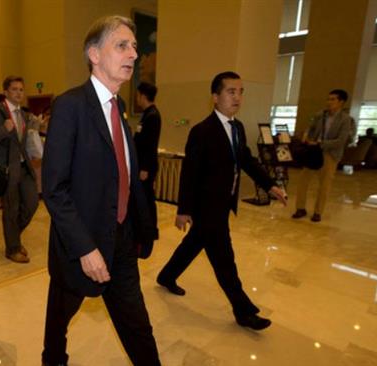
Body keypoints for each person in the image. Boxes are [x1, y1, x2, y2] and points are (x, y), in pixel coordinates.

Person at [41, 15, 160, 365]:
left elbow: (123, 174)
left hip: (121, 239)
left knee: (136, 323)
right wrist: (85, 248)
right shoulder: (70, 106)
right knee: (59, 314)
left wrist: (142, 228)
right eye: (122, 46)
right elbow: (55, 188)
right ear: (94, 54)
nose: (134, 55)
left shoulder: (119, 109)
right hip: (81, 242)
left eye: (135, 47)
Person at [156, 71, 287, 331]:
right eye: (231, 91)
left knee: (193, 244)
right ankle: (243, 310)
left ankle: (166, 275)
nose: (237, 97)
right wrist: (183, 210)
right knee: (224, 260)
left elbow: (247, 160)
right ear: (215, 97)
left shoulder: (237, 128)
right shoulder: (201, 131)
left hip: (223, 203)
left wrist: (270, 185)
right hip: (207, 208)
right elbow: (190, 173)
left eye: (240, 92)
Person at [0, 76, 39, 263]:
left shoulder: (24, 115)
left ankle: (13, 236)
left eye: (21, 89)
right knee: (11, 209)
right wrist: (3, 130)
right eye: (14, 89)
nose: (19, 93)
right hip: (5, 169)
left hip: (24, 166)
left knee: (32, 203)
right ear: (6, 92)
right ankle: (12, 248)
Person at [292, 89, 352, 222]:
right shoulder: (321, 115)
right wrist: (307, 136)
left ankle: (318, 212)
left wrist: (321, 143)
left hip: (330, 154)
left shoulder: (345, 119)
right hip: (313, 152)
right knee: (303, 181)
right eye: (328, 99)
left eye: (333, 99)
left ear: (341, 102)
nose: (329, 102)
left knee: (324, 185)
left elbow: (341, 140)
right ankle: (300, 208)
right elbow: (311, 127)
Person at [134, 81, 162, 239]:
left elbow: (150, 144)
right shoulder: (146, 114)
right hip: (142, 165)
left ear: (143, 96)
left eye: (138, 95)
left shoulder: (153, 116)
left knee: (147, 197)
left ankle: (151, 229)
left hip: (146, 166)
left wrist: (145, 168)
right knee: (143, 196)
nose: (137, 98)